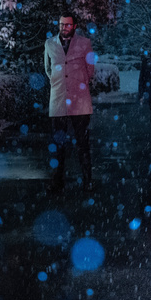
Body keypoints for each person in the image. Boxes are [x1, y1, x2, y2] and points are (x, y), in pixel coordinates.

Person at [44, 12, 96, 192]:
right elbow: (48, 69)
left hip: (80, 101)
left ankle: (87, 180)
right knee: (58, 144)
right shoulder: (50, 44)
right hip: (58, 99)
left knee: (83, 143)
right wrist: (59, 83)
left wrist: (77, 83)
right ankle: (57, 181)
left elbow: (90, 69)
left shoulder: (84, 43)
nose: (64, 28)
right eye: (61, 24)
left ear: (74, 26)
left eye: (67, 25)